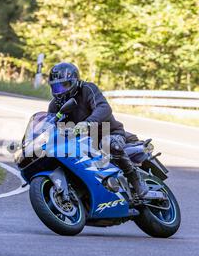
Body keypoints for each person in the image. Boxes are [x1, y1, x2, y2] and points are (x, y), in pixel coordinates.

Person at [47, 62, 149, 198]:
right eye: (56, 87)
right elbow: (50, 125)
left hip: (109, 133)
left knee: (109, 144)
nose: (59, 91)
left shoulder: (87, 89)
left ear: (75, 81)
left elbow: (104, 108)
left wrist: (87, 123)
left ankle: (136, 180)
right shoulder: (55, 105)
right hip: (82, 142)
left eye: (64, 85)